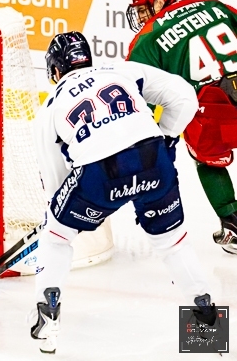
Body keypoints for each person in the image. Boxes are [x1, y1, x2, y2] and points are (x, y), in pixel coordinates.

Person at [31, 32, 217, 354]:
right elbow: (185, 96)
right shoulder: (122, 70)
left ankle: (48, 318)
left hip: (100, 175)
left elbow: (54, 181)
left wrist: (60, 215)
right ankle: (208, 331)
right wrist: (167, 137)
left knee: (55, 238)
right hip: (152, 158)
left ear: (55, 70)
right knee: (173, 243)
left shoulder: (49, 108)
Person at [125, 0, 237, 254]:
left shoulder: (146, 40)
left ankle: (233, 224)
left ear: (160, 2)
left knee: (207, 158)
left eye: (142, 8)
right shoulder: (214, 5)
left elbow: (140, 100)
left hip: (215, 115)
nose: (139, 17)